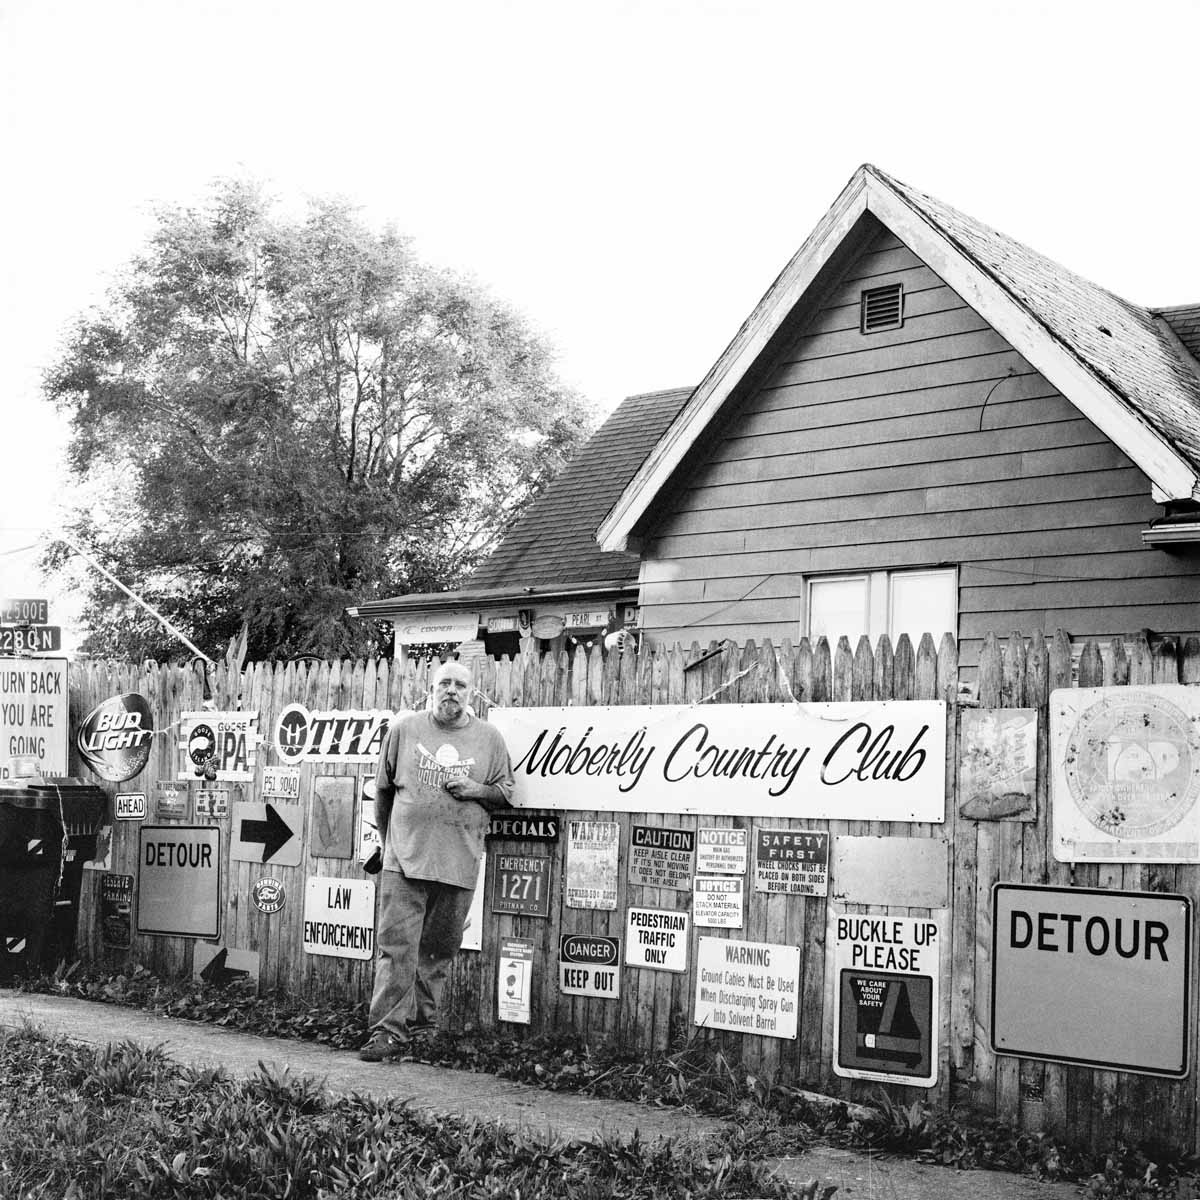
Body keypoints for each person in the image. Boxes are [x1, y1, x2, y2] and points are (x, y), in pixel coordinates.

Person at [359, 659, 514, 1062]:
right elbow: (383, 792)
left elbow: (505, 792)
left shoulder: (489, 739)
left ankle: (423, 1029)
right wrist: (387, 840)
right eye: (444, 683)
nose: (451, 691)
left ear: (470, 693)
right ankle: (386, 1032)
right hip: (404, 860)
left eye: (460, 685)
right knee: (397, 949)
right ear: (432, 688)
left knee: (438, 951)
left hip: (459, 860)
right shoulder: (405, 730)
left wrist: (476, 787)